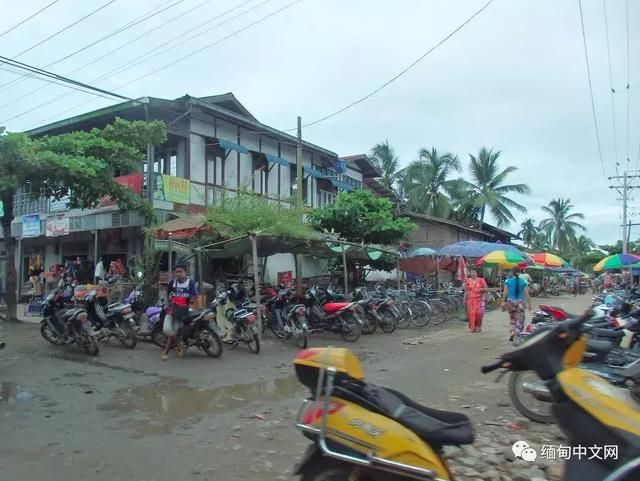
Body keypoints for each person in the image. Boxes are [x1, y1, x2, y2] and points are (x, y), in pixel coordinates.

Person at [161, 264, 198, 361]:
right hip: (171, 310)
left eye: (180, 271)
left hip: (182, 312)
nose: (178, 274)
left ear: (185, 272)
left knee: (174, 331)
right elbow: (168, 295)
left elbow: (194, 297)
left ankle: (166, 351)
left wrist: (188, 302)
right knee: (167, 330)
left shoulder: (190, 283)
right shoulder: (172, 283)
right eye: (176, 271)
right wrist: (168, 303)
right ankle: (179, 344)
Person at [501, 267, 531, 341]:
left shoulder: (507, 281)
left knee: (512, 318)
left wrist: (502, 302)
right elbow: (527, 294)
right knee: (520, 319)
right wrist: (529, 304)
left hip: (510, 302)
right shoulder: (523, 282)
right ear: (520, 272)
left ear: (512, 272)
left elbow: (505, 293)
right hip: (520, 302)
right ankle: (517, 333)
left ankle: (512, 332)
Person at [464, 268, 488, 333]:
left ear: (477, 273)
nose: (473, 274)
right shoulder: (468, 280)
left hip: (479, 300)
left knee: (479, 314)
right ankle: (473, 327)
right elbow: (466, 291)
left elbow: (486, 289)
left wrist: (481, 289)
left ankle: (479, 326)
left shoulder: (481, 280)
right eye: (471, 272)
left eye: (474, 272)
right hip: (470, 300)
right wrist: (464, 299)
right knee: (471, 314)